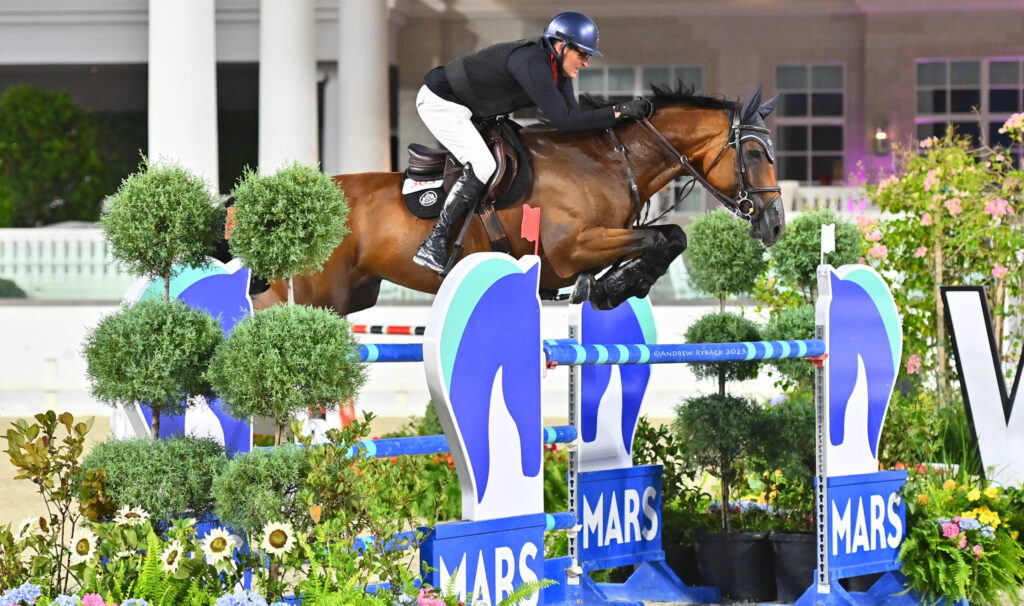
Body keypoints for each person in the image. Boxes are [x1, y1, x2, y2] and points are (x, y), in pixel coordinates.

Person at [413, 10, 649, 274]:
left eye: (588, 56)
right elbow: (566, 121)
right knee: (483, 165)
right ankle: (434, 243)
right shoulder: (532, 61)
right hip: (441, 103)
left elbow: (574, 121)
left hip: (472, 110)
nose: (585, 62)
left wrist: (621, 117)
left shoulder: (556, 71)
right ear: (561, 46)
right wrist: (618, 112)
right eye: (582, 54)